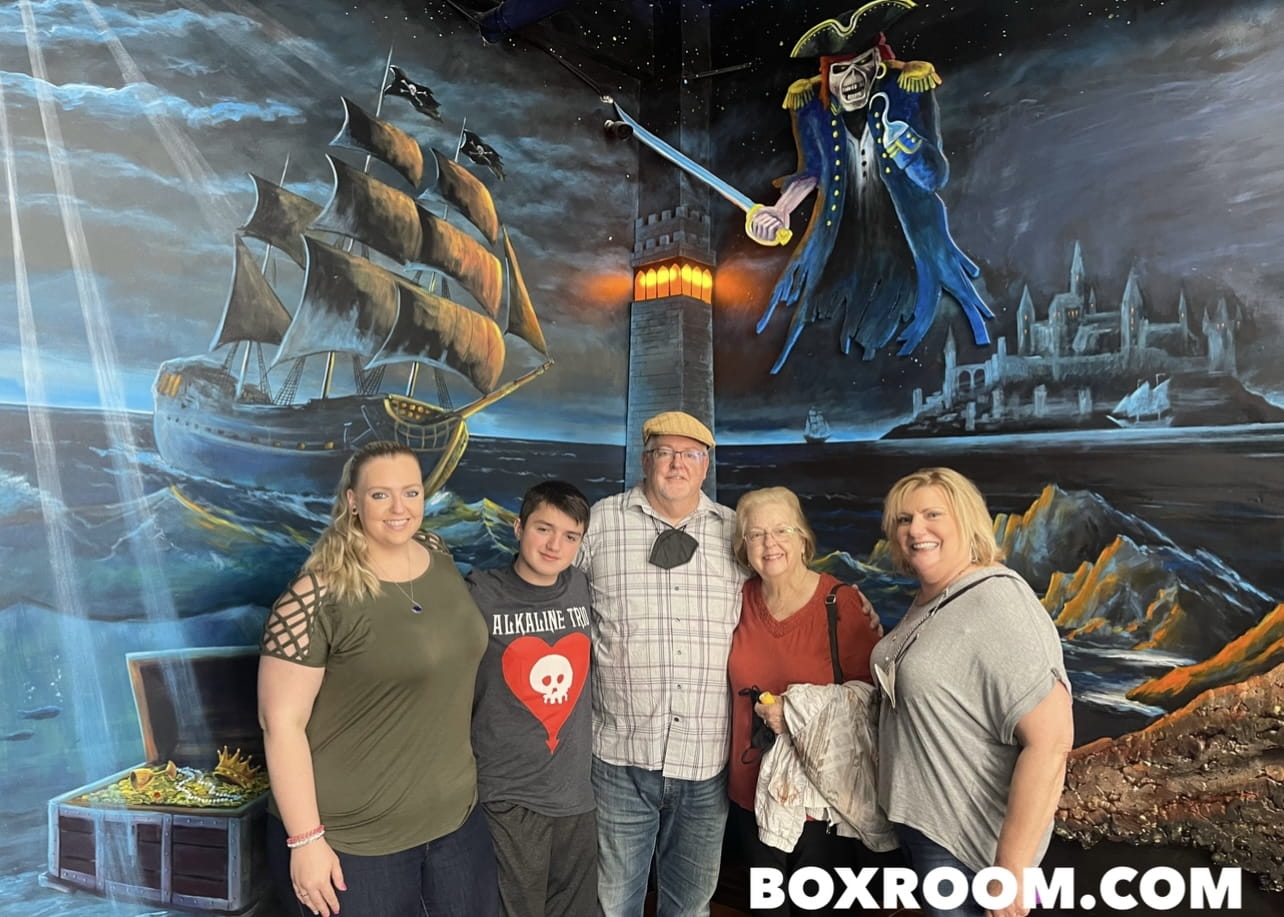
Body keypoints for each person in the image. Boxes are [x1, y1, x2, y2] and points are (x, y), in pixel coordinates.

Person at [257, 440, 500, 917]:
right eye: (380, 495)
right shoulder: (314, 595)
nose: (399, 508)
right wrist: (305, 841)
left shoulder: (437, 552)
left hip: (455, 823)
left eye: (411, 492)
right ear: (353, 500)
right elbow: (280, 723)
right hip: (353, 842)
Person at [874, 468, 1073, 917]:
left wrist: (1010, 872)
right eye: (904, 519)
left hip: (968, 852)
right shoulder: (934, 598)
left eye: (932, 514)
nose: (916, 529)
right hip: (924, 829)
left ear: (967, 522)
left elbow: (1051, 742)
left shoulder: (997, 601)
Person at [747, 1, 991, 368]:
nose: (853, 78)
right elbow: (812, 170)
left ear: (878, 63)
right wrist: (780, 211)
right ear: (827, 75)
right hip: (840, 238)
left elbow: (935, 176)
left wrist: (908, 147)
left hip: (909, 237)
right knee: (817, 333)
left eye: (863, 65)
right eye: (841, 70)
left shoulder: (907, 87)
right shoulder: (811, 105)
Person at [577, 410, 745, 917]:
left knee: (690, 907)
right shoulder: (601, 522)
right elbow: (552, 593)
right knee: (613, 904)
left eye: (690, 454)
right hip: (620, 758)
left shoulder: (735, 531)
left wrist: (845, 605)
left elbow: (782, 593)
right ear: (645, 460)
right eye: (665, 453)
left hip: (705, 763)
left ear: (705, 465)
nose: (677, 464)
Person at [726, 486, 884, 915]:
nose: (769, 543)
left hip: (822, 806)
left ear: (802, 539)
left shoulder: (840, 604)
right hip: (750, 797)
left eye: (782, 530)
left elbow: (873, 702)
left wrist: (797, 713)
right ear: (744, 546)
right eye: (756, 534)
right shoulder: (735, 601)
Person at [468, 481, 598, 917]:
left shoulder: (581, 586)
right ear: (519, 528)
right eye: (544, 529)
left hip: (575, 795)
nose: (554, 545)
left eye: (570, 536)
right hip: (508, 797)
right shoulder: (480, 594)